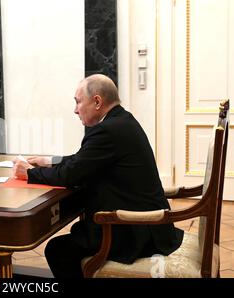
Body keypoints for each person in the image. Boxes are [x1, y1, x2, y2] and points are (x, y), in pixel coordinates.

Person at [13, 74, 184, 278]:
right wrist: (49, 161)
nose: (75, 110)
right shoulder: (121, 120)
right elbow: (83, 161)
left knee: (57, 250)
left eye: (78, 102)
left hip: (135, 230)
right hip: (150, 226)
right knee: (75, 235)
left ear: (96, 101)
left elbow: (71, 175)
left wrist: (29, 173)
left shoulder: (106, 130)